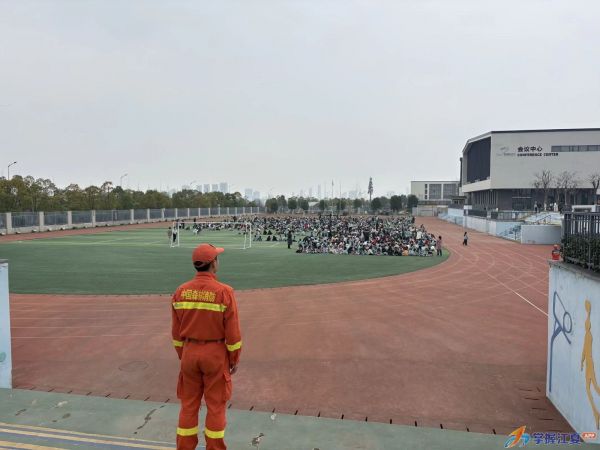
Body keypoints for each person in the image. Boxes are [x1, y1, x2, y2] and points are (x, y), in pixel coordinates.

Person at [171, 243, 242, 450]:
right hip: (215, 355)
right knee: (216, 406)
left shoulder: (180, 291)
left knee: (188, 406)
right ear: (214, 263)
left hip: (189, 353)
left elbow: (176, 333)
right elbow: (233, 334)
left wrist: (184, 354)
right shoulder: (224, 292)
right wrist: (233, 359)